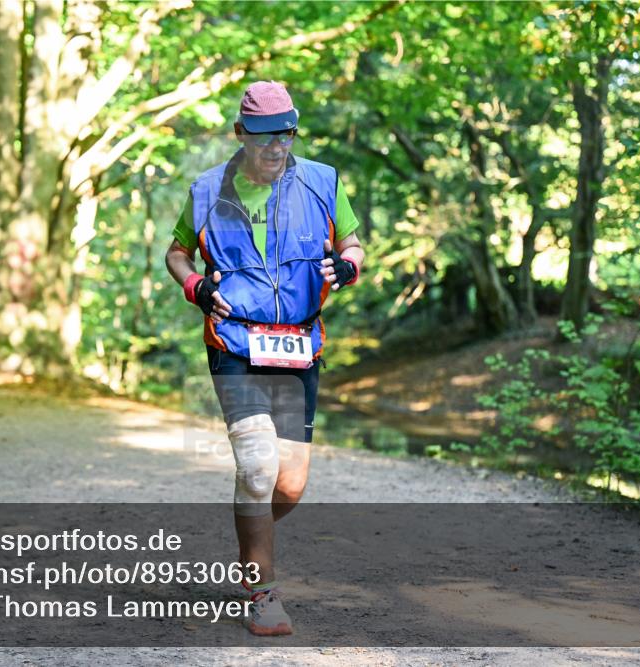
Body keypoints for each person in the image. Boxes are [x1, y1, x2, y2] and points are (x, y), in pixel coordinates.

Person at [164, 80, 365, 636]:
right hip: (234, 342)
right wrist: (196, 286)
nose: (277, 148)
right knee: (256, 468)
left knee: (289, 484)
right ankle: (263, 592)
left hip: (299, 345)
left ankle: (250, 537)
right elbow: (177, 253)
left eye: (286, 136)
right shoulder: (207, 191)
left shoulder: (324, 183)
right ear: (240, 135)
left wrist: (348, 266)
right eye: (263, 139)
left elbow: (352, 245)